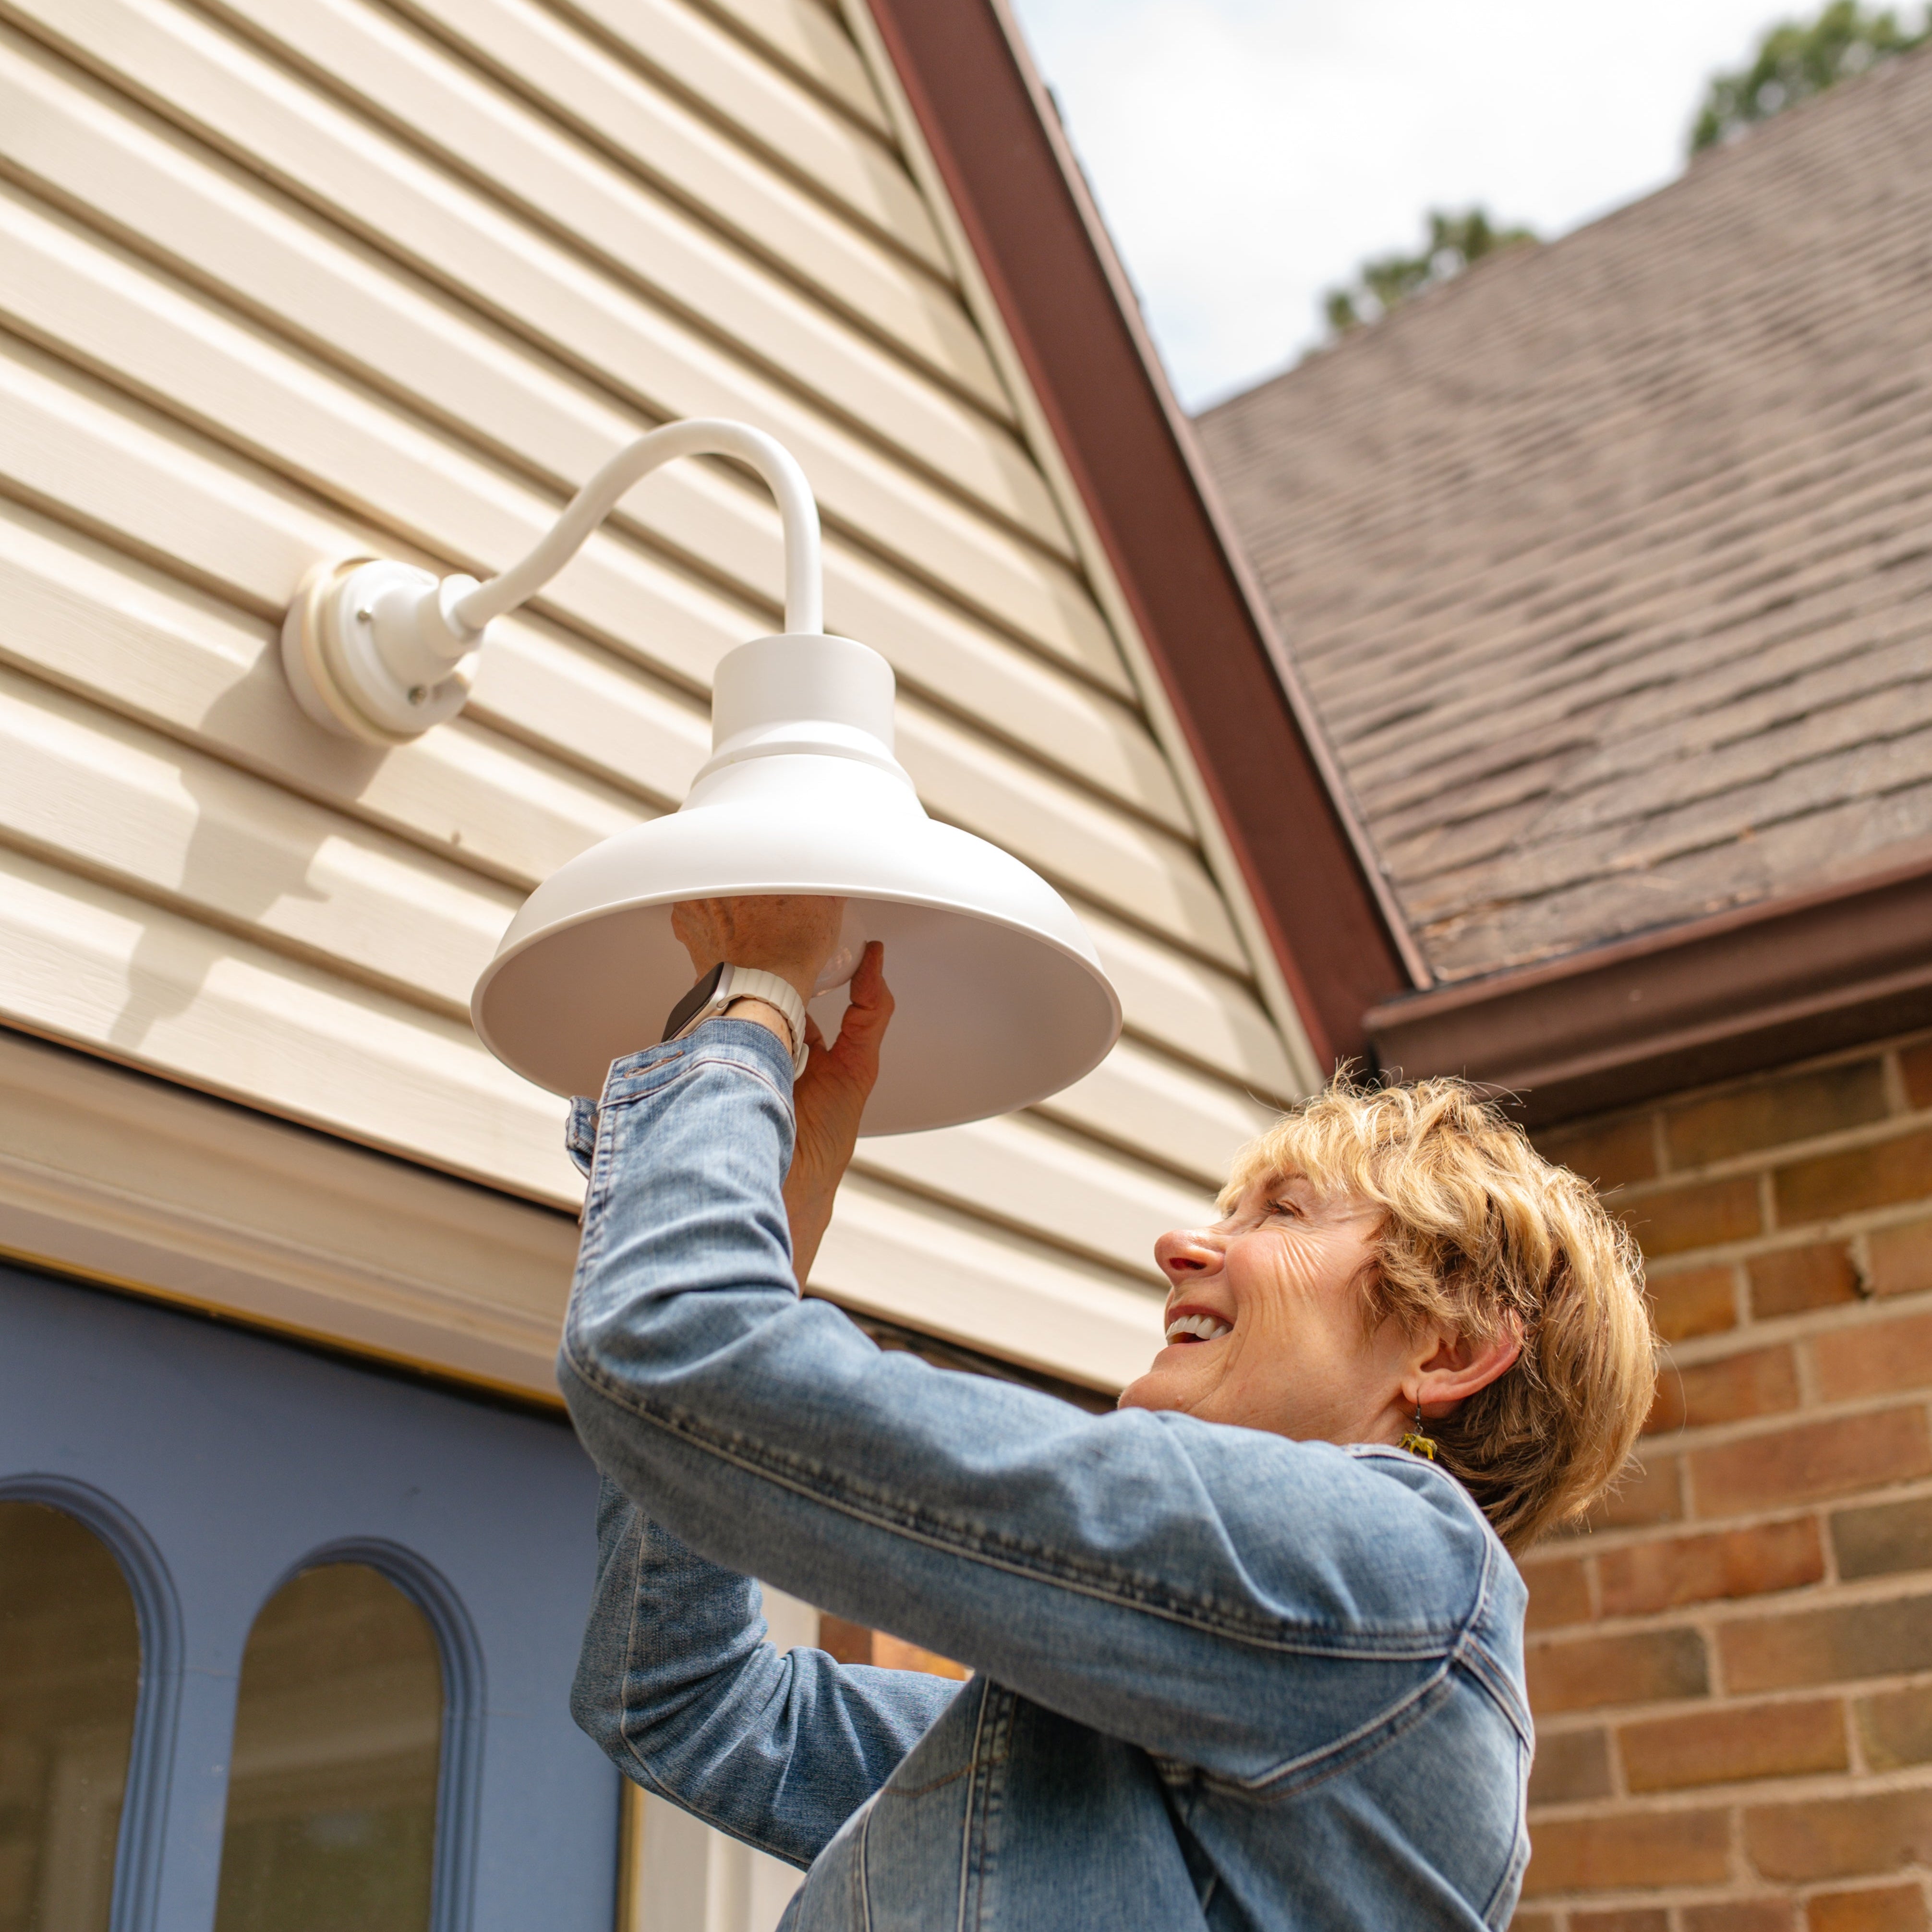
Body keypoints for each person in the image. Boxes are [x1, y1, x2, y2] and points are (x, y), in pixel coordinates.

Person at [558, 895, 1655, 1931]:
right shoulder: (1146, 1716)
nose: (1182, 1245)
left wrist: (756, 997)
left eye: (1282, 1211)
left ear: (1447, 1347)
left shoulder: (1393, 1570)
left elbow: (675, 1357)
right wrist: (775, 1231)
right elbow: (682, 1701)